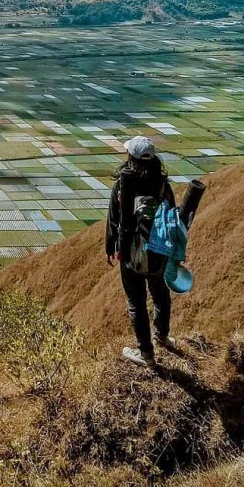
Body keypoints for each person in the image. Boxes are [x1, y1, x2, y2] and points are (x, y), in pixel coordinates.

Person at [106, 135, 177, 368]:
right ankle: (163, 335)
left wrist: (111, 248)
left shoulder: (122, 184)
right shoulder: (162, 184)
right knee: (160, 293)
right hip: (158, 251)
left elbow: (113, 220)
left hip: (130, 254)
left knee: (136, 301)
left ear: (130, 157)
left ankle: (146, 353)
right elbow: (171, 216)